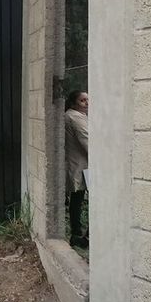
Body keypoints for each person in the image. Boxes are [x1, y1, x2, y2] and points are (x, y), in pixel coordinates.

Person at [65, 90, 89, 249]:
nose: (87, 103)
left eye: (88, 100)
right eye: (82, 100)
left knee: (77, 199)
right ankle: (82, 236)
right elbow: (88, 141)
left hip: (80, 164)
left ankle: (77, 234)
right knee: (80, 199)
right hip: (82, 165)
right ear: (74, 103)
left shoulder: (76, 115)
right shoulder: (75, 117)